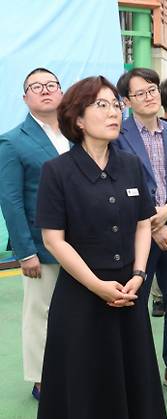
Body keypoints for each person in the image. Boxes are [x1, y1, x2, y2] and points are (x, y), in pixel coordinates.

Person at [35, 76, 167, 419]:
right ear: (78, 119)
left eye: (116, 105)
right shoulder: (57, 171)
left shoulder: (130, 165)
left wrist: (139, 273)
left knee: (133, 377)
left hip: (128, 291)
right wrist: (97, 286)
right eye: (102, 105)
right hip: (81, 297)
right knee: (84, 383)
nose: (114, 113)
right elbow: (54, 239)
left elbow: (142, 222)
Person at [116, 67, 167, 395]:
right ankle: (134, 371)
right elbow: (121, 187)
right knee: (133, 304)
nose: (150, 97)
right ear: (126, 101)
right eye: (141, 93)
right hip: (136, 235)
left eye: (152, 90)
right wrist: (153, 226)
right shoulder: (118, 137)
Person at [0, 68, 68, 401]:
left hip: (83, 245)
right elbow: (10, 200)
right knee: (41, 314)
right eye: (35, 87)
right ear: (25, 97)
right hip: (41, 248)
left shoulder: (77, 133)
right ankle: (42, 378)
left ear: (61, 91)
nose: (45, 91)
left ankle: (73, 369)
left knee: (75, 314)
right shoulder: (12, 141)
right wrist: (25, 252)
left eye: (51, 85)